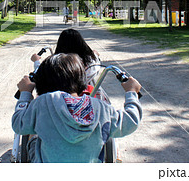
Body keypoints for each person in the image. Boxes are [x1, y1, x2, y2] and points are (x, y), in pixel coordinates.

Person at [12, 53, 142, 163]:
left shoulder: (42, 103)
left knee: (34, 139)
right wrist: (131, 93)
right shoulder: (100, 107)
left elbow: (18, 125)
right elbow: (131, 121)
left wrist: (25, 93)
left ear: (43, 82)